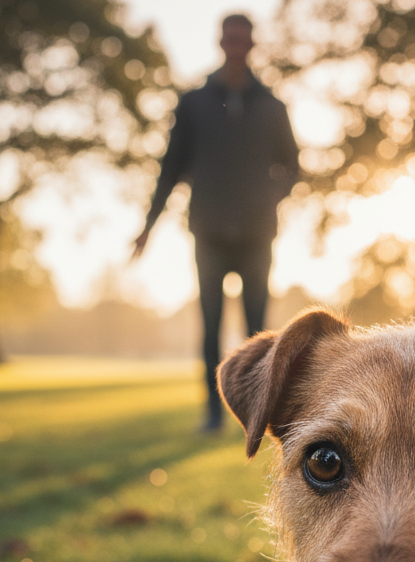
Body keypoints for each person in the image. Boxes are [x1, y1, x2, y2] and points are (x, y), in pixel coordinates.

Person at [134, 13, 299, 431]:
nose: (236, 46)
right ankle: (212, 413)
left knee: (260, 331)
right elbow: (170, 169)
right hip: (208, 231)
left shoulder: (272, 106)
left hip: (256, 235)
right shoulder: (193, 104)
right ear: (221, 43)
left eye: (243, 39)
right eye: (230, 39)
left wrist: (268, 199)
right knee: (209, 327)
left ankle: (265, 417)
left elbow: (293, 167)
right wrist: (147, 228)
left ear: (252, 44)